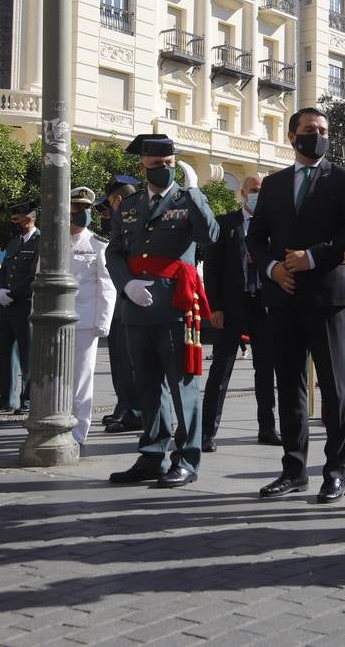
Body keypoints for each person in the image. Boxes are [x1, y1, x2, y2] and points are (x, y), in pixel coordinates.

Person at [248, 107, 345, 504]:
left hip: (328, 296)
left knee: (335, 388)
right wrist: (271, 269)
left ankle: (336, 473)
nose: (316, 136)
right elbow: (256, 237)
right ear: (291, 135)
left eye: (322, 131)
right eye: (308, 130)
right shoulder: (275, 183)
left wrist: (313, 257)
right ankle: (293, 469)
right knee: (290, 386)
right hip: (283, 297)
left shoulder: (343, 178)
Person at [106, 135, 218, 488]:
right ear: (142, 167)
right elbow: (114, 252)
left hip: (174, 306)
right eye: (156, 166)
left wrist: (196, 191)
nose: (163, 170)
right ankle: (152, 454)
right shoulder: (130, 205)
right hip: (137, 306)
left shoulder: (186, 200)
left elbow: (210, 235)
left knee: (182, 386)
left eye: (169, 164)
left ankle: (186, 458)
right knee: (147, 386)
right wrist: (126, 285)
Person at [202, 174, 280, 452]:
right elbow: (211, 269)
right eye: (254, 190)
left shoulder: (273, 227)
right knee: (220, 369)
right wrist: (216, 307)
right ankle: (207, 431)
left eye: (262, 191)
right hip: (232, 305)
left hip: (263, 304)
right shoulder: (225, 225)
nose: (258, 195)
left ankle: (267, 428)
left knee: (265, 370)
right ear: (243, 194)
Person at [68, 187, 116, 445]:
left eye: (86, 208)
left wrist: (103, 320)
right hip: (55, 322)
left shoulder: (98, 244)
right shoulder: (52, 242)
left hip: (85, 319)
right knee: (56, 377)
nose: (82, 213)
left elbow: (106, 284)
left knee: (81, 378)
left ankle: (78, 432)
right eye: (77, 208)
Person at [0, 199, 39, 415]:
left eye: (18, 220)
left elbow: (35, 275)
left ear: (30, 219)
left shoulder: (41, 241)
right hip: (7, 306)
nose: (15, 224)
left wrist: (13, 293)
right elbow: (3, 270)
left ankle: (28, 397)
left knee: (28, 354)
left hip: (26, 305)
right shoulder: (13, 243)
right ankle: (6, 398)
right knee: (5, 353)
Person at [100, 179, 142, 433]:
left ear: (116, 200)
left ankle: (134, 412)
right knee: (120, 358)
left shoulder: (133, 219)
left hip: (130, 297)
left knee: (130, 359)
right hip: (122, 296)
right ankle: (125, 407)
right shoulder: (125, 219)